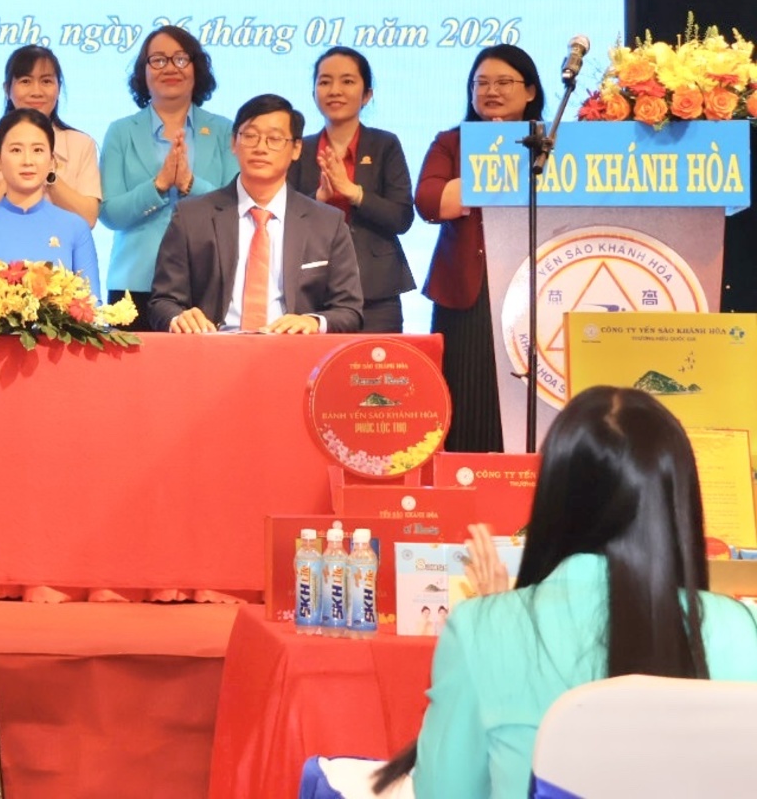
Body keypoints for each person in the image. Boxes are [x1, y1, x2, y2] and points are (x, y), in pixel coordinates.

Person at [372, 386, 757, 799]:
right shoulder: (738, 628)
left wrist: (492, 619)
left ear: (554, 495)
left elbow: (444, 792)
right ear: (678, 500)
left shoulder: (479, 630)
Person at [414, 43, 542, 452]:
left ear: (530, 91)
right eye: (481, 83)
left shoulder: (552, 143)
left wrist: (473, 184)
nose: (491, 91)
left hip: (536, 289)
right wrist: (495, 161)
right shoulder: (451, 142)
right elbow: (430, 202)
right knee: (465, 397)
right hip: (468, 290)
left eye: (504, 82)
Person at [147, 93, 364, 334]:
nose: (261, 148)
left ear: (296, 149)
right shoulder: (191, 216)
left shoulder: (327, 223)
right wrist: (179, 317)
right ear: (233, 143)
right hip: (215, 346)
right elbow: (162, 302)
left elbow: (349, 311)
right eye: (250, 136)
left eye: (274, 139)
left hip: (293, 347)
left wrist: (313, 322)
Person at [99, 26, 237, 323]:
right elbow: (110, 213)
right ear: (143, 71)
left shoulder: (224, 130)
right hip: (134, 283)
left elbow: (234, 209)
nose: (170, 68)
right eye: (158, 60)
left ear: (197, 68)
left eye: (181, 59)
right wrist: (158, 186)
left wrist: (189, 184)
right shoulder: (120, 131)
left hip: (207, 282)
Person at [289, 47, 417, 333]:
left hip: (376, 292)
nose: (335, 90)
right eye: (325, 82)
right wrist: (318, 199)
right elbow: (284, 217)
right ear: (314, 93)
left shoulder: (385, 145)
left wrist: (353, 192)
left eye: (347, 81)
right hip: (311, 293)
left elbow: (401, 218)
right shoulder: (299, 149)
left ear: (367, 94)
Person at [0, 110, 100, 290]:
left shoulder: (76, 227)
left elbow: (92, 301)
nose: (28, 161)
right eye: (16, 150)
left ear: (52, 161)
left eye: (38, 150)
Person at [0, 45, 102, 225]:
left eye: (46, 81)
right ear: (7, 89)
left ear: (58, 88)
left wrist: (48, 175)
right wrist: (15, 174)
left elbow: (89, 218)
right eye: (25, 81)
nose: (36, 92)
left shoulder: (81, 144)